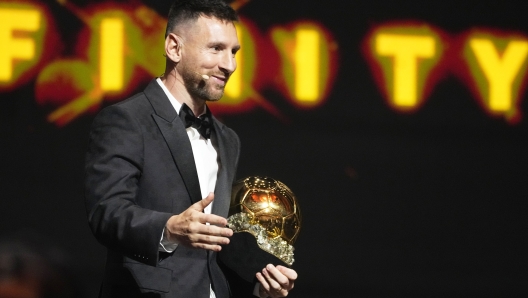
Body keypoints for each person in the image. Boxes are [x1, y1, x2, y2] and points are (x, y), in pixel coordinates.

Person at [84, 0, 297, 297]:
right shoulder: (126, 120)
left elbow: (213, 250)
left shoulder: (227, 138)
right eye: (215, 48)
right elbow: (107, 213)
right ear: (174, 48)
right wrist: (169, 228)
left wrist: (259, 282)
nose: (230, 65)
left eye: (233, 51)